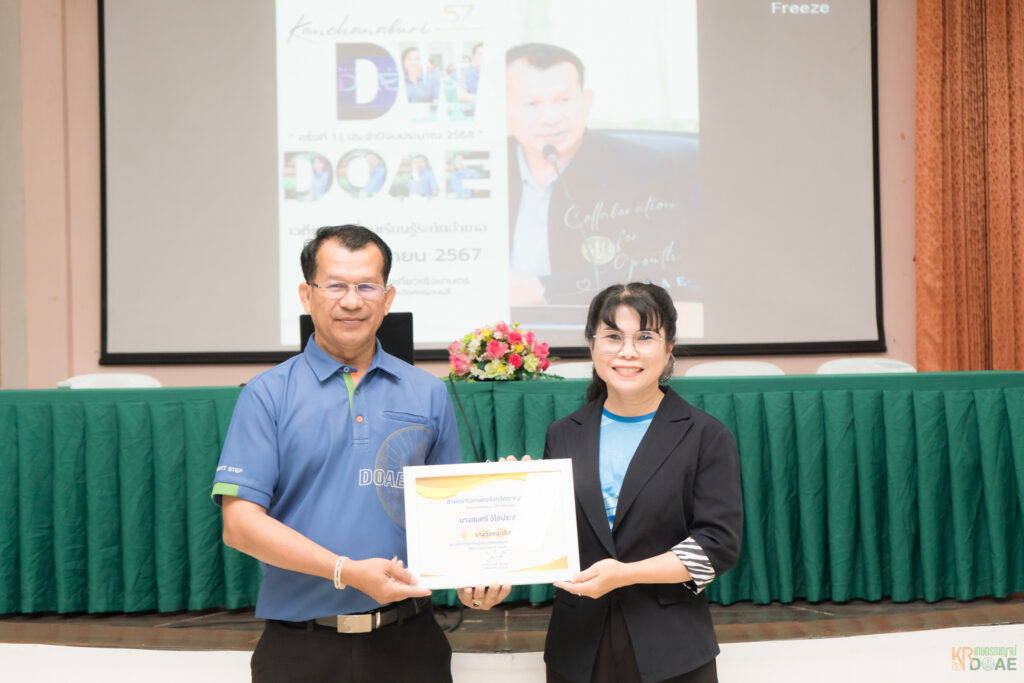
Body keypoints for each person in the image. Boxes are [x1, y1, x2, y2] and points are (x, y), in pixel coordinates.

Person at [211, 225, 462, 682]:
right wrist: (344, 570)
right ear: (307, 295)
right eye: (335, 286)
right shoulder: (267, 395)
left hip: (410, 643)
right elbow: (239, 526)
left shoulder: (428, 393)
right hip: (300, 648)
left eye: (367, 286)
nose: (351, 301)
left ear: (387, 298)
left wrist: (483, 574)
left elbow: (450, 517)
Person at [542, 283, 743, 682]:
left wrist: (626, 573)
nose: (628, 351)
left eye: (645, 337)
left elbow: (716, 548)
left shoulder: (705, 434)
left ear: (669, 349)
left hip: (672, 650)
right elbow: (550, 536)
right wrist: (519, 493)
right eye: (613, 337)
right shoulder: (563, 433)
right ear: (592, 345)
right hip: (577, 648)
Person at [505, 43, 692, 307]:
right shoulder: (478, 167)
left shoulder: (644, 171)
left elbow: (660, 270)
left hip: (595, 324)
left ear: (587, 102)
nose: (550, 118)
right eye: (531, 103)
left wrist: (546, 290)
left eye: (563, 100)